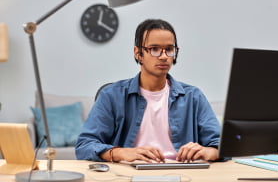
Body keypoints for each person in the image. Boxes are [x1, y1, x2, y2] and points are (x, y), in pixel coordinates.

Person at [75, 19, 220, 163]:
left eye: (169, 49)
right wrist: (121, 153)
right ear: (138, 53)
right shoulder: (111, 96)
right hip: (128, 172)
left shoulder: (193, 97)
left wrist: (209, 151)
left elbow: (221, 145)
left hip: (182, 172)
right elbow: (85, 146)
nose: (163, 56)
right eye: (154, 49)